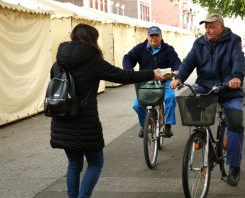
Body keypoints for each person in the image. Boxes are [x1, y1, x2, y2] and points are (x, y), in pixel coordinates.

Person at [49, 23, 164, 198]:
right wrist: (151, 74)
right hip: (85, 122)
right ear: (92, 40)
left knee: (74, 164)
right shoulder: (92, 61)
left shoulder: (58, 63)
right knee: (95, 163)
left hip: (62, 119)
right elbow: (123, 76)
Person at [171, 13, 245, 187]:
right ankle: (201, 137)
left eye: (211, 26)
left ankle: (234, 167)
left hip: (229, 89)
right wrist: (179, 77)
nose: (208, 30)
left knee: (235, 124)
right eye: (206, 26)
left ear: (221, 26)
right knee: (193, 112)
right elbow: (189, 61)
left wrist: (236, 77)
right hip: (206, 88)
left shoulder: (233, 40)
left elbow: (238, 60)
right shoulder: (199, 43)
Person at [123, 26, 181, 138]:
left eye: (156, 35)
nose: (154, 38)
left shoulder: (168, 49)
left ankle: (168, 125)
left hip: (164, 81)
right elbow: (127, 58)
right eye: (151, 35)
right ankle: (145, 125)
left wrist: (177, 70)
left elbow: (176, 62)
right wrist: (128, 71)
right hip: (145, 82)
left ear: (161, 36)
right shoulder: (140, 48)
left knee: (170, 98)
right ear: (147, 36)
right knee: (137, 105)